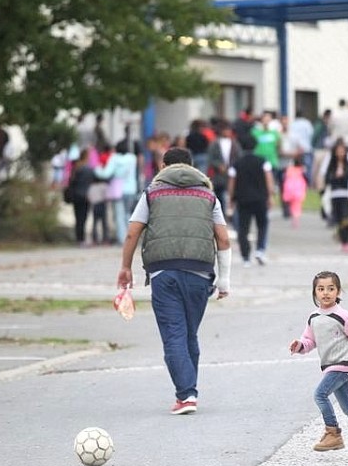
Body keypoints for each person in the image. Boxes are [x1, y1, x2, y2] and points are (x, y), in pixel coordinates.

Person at [117, 147, 231, 415]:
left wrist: (125, 267)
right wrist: (224, 281)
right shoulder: (209, 195)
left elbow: (133, 233)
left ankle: (186, 394)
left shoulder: (152, 193)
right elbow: (223, 239)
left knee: (174, 334)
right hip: (200, 273)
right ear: (192, 167)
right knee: (188, 333)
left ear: (162, 166)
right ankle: (188, 391)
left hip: (163, 272)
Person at [289, 271, 348, 460]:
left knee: (320, 394)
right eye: (321, 289)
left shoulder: (343, 316)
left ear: (338, 292)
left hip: (342, 365)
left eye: (331, 289)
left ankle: (333, 433)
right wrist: (300, 346)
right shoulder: (314, 317)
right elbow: (309, 340)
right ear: (314, 292)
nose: (326, 293)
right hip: (330, 365)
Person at [228, 137, 275, 267]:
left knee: (243, 229)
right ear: (255, 147)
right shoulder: (263, 162)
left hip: (242, 199)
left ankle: (246, 257)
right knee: (262, 225)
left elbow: (232, 182)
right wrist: (270, 196)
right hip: (260, 198)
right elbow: (269, 179)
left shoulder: (236, 163)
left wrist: (231, 200)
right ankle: (260, 250)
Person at [323, 138, 348, 252]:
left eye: (342, 151)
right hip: (335, 194)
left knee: (345, 218)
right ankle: (342, 240)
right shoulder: (332, 165)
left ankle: (347, 240)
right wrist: (335, 176)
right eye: (338, 151)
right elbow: (327, 179)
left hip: (346, 194)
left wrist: (343, 175)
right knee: (338, 218)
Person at [208, 121, 242, 221]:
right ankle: (221, 217)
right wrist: (218, 165)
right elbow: (211, 159)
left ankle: (232, 217)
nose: (228, 132)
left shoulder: (234, 143)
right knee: (220, 196)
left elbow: (238, 157)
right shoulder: (214, 143)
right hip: (219, 176)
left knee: (231, 196)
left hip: (232, 174)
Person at [67, 149, 96, 246]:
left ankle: (78, 238)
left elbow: (71, 182)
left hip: (76, 196)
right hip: (85, 196)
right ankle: (82, 239)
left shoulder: (76, 168)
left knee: (77, 218)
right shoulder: (89, 169)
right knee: (83, 218)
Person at [282, 155, 308, 229]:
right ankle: (295, 219)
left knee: (291, 205)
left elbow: (285, 178)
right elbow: (306, 178)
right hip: (298, 191)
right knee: (297, 207)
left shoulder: (289, 169)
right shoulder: (302, 170)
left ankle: (293, 218)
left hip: (289, 191)